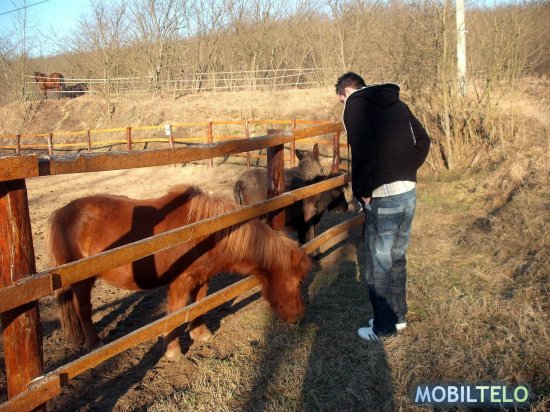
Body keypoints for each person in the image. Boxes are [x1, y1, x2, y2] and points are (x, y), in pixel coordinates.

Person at [336, 72, 431, 341]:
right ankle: (398, 317)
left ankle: (383, 327)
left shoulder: (355, 106)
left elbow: (362, 153)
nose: (343, 105)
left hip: (382, 196)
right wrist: (406, 169)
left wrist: (363, 192)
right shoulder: (396, 102)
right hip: (408, 192)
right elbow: (424, 140)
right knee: (397, 257)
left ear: (346, 92)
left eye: (341, 100)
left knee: (379, 264)